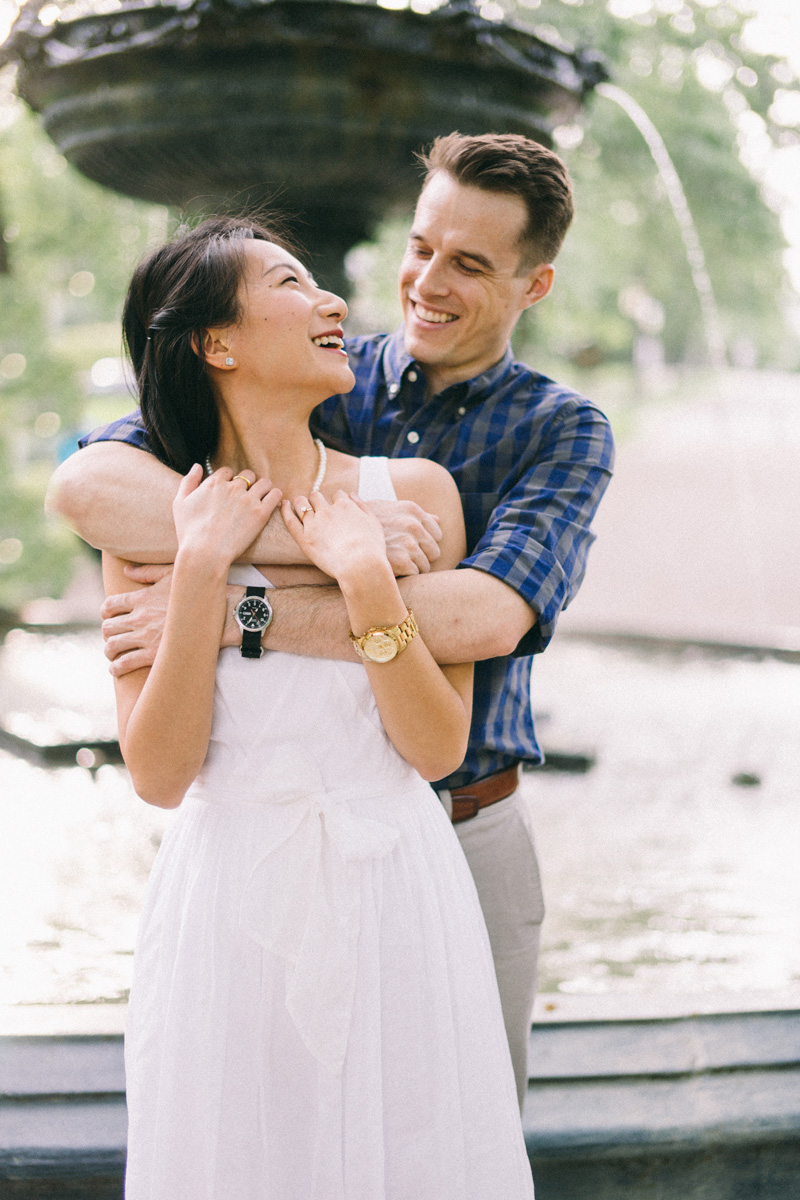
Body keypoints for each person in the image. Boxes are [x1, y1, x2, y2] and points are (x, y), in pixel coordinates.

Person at [48, 133, 615, 1107]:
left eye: (469, 264)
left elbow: (480, 617)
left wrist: (232, 608)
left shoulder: (558, 431)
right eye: (422, 244)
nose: (425, 280)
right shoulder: (307, 365)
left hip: (458, 832)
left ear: (534, 284)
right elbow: (94, 488)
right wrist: (319, 545)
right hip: (256, 857)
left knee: (447, 1130)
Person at [103, 214, 534, 1199]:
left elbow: (433, 751)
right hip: (225, 908)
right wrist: (207, 567)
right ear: (216, 342)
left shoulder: (413, 494)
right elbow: (160, 777)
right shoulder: (158, 525)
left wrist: (369, 584)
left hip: (396, 895)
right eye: (291, 283)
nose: (332, 300)